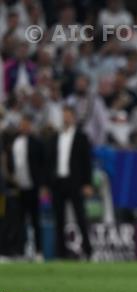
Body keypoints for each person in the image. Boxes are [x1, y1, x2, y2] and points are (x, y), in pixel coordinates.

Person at [44, 106, 93, 259]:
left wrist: (87, 183)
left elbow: (87, 161)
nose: (65, 118)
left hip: (75, 182)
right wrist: (47, 183)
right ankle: (61, 252)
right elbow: (50, 161)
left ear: (73, 117)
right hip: (58, 182)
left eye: (68, 115)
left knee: (80, 217)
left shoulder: (81, 137)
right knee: (59, 219)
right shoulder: (56, 137)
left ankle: (88, 250)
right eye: (64, 115)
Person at [5, 115, 44, 260]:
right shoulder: (14, 142)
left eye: (27, 124)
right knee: (18, 221)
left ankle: (39, 251)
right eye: (22, 124)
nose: (24, 127)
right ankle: (19, 250)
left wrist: (42, 186)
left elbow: (42, 165)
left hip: (33, 188)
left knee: (35, 220)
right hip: (18, 188)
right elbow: (10, 163)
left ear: (31, 126)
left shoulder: (37, 143)